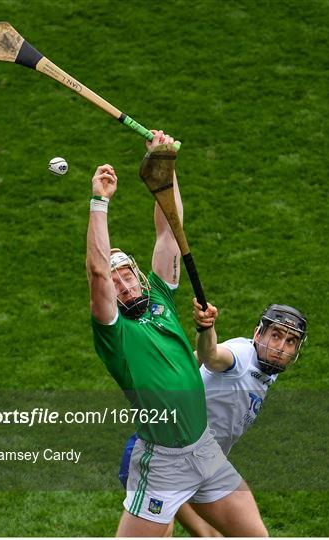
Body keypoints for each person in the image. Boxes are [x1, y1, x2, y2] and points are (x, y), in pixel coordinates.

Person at [87, 130, 268, 537]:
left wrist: (163, 164)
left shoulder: (160, 302)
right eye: (115, 282)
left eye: (127, 274)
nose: (123, 283)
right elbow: (96, 271)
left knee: (256, 536)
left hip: (204, 450)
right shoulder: (113, 333)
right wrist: (99, 203)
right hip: (163, 462)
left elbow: (169, 231)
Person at [119, 300, 308, 536]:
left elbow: (196, 359)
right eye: (276, 335)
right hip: (164, 461)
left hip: (207, 462)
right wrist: (205, 329)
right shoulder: (241, 355)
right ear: (258, 333)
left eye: (290, 341)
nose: (280, 347)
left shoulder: (267, 370)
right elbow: (211, 355)